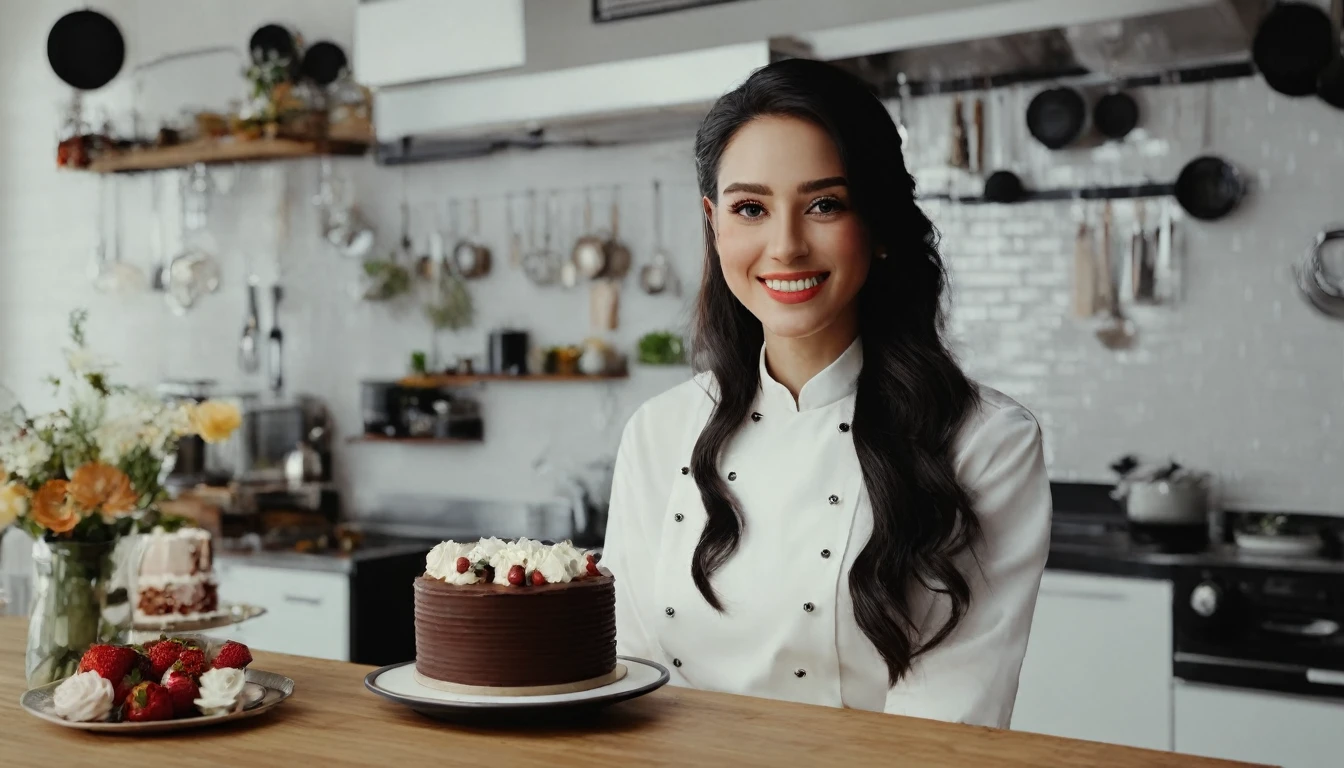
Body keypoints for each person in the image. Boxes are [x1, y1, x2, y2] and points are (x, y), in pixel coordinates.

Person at [600, 58, 1052, 729]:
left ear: (878, 223)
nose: (784, 246)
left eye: (824, 205)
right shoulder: (658, 430)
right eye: (750, 208)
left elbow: (943, 729)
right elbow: (626, 672)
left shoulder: (984, 443)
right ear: (714, 222)